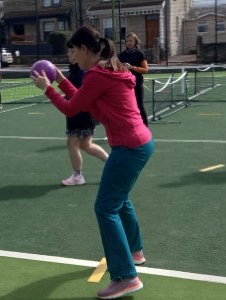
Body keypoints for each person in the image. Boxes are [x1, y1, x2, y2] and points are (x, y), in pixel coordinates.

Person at [31, 25, 153, 299]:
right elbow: (84, 101)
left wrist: (47, 89)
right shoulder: (110, 69)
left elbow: (71, 108)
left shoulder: (97, 75)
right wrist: (61, 80)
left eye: (73, 50)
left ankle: (125, 277)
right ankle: (135, 252)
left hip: (129, 147)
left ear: (85, 50)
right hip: (140, 142)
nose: (72, 56)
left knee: (105, 208)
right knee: (120, 200)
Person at [61, 58, 109, 186]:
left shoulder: (81, 71)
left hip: (80, 114)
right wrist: (65, 97)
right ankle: (111, 163)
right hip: (82, 113)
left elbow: (80, 93)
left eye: (72, 51)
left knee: (72, 143)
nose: (69, 54)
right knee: (86, 145)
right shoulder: (77, 70)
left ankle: (77, 175)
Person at [117, 32, 149, 126]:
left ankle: (145, 128)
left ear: (135, 42)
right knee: (126, 108)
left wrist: (132, 67)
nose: (129, 43)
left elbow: (145, 70)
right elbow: (117, 70)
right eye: (127, 41)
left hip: (137, 84)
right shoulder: (121, 55)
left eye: (131, 41)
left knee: (139, 106)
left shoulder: (140, 54)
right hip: (125, 86)